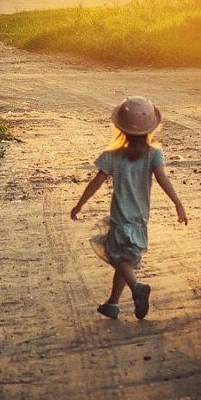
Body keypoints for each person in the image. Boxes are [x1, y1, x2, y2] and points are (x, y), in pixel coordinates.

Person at [70, 97, 188, 321]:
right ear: (151, 129)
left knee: (117, 256)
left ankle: (137, 288)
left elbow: (95, 183)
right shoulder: (154, 154)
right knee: (125, 259)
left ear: (120, 128)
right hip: (140, 219)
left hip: (120, 219)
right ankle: (113, 304)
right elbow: (163, 179)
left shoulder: (112, 156)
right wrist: (178, 205)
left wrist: (79, 205)